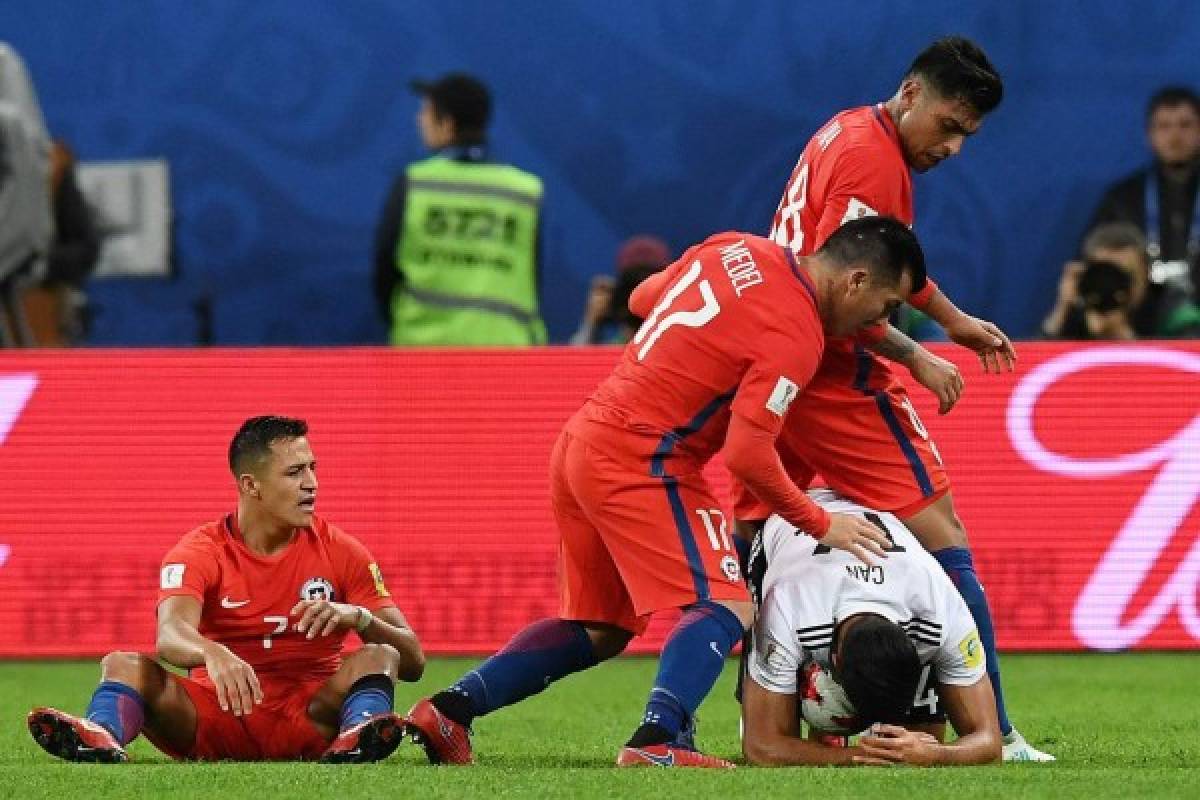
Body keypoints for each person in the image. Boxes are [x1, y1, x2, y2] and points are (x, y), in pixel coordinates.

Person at [403, 216, 926, 769]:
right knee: (726, 604)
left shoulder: (735, 247)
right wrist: (823, 524)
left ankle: (449, 710)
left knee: (601, 628)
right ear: (856, 281)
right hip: (645, 455)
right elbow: (748, 457)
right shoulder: (797, 333)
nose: (883, 320)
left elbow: (643, 298)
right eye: (888, 305)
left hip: (586, 437)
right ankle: (659, 739)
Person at [755, 35, 1053, 761]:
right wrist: (918, 352)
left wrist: (951, 320)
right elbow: (845, 285)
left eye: (967, 137)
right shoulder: (871, 160)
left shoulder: (850, 129)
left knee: (750, 543)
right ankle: (997, 729)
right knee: (943, 535)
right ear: (912, 94)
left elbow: (883, 264)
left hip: (780, 366)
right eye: (949, 127)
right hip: (839, 378)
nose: (952, 147)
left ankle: (696, 721)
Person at [27, 416, 425, 763]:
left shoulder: (342, 550)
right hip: (216, 714)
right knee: (122, 664)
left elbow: (412, 660)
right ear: (251, 485)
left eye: (313, 468)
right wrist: (211, 651)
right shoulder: (200, 551)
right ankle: (100, 736)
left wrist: (360, 617)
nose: (312, 484)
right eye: (294, 473)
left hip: (313, 718)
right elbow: (169, 635)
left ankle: (361, 735)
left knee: (379, 655)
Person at [741, 489, 1001, 767]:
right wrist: (856, 757)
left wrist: (935, 753)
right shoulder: (787, 608)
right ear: (835, 661)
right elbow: (763, 746)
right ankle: (822, 727)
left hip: (876, 538)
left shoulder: (940, 607)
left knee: (921, 737)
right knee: (779, 728)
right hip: (785, 534)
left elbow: (989, 742)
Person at [372, 72, 546, 346]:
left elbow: (384, 269)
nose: (419, 120)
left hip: (423, 352)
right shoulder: (524, 191)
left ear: (448, 123)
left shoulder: (416, 183)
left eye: (426, 112)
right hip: (507, 353)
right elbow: (532, 278)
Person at [1085, 86, 1200, 313]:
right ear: (1150, 135)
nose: (1175, 136)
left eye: (1185, 125)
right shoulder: (1122, 198)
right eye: (1164, 126)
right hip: (1138, 321)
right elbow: (1095, 264)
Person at [1041, 223, 1200, 339]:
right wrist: (1060, 311)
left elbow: (1185, 367)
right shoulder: (1080, 307)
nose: (1115, 285)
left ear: (1147, 273)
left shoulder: (1172, 311)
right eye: (1106, 275)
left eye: (1126, 276)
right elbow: (1033, 369)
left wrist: (1124, 338)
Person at [569, 235, 671, 345]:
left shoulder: (678, 335)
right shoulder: (612, 346)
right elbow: (573, 359)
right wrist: (591, 323)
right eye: (632, 288)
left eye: (651, 290)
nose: (640, 304)